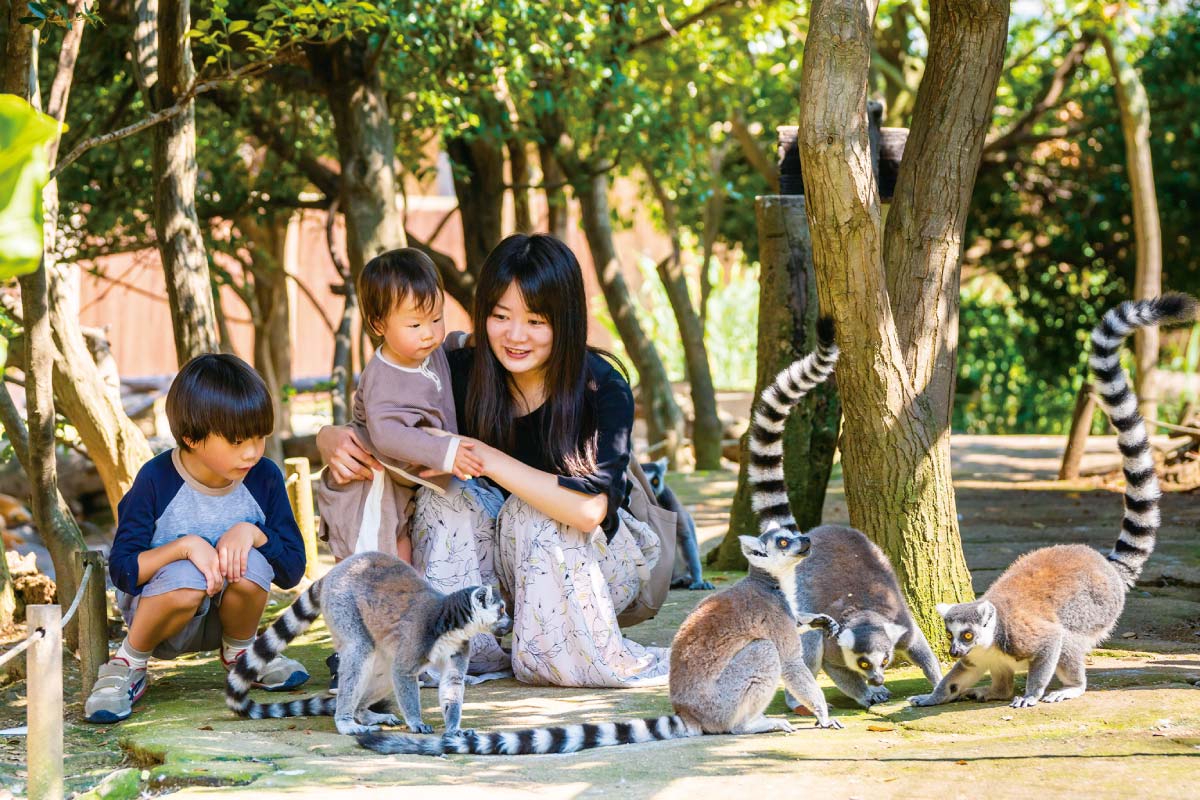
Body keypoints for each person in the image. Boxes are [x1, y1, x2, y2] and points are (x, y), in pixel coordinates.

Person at [318, 233, 668, 687]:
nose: (515, 335)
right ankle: (456, 650)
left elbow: (589, 511)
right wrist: (330, 437)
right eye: (500, 316)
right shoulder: (462, 370)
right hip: (492, 572)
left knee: (531, 512)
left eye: (536, 321)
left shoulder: (601, 387)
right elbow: (388, 410)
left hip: (590, 566)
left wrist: (483, 458)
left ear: (565, 320)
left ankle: (553, 653)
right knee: (446, 498)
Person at [85, 354, 308, 723]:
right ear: (191, 437)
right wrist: (184, 547)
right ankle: (127, 663)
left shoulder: (263, 477)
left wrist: (254, 533)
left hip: (228, 616)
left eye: (259, 436)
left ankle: (242, 654)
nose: (252, 451)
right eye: (238, 441)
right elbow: (122, 571)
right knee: (188, 576)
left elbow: (292, 570)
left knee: (253, 561)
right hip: (162, 618)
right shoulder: (156, 481)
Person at [314, 247, 482, 564]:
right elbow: (388, 435)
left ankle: (402, 609)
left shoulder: (425, 350)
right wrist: (447, 452)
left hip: (398, 481)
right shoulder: (383, 377)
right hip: (370, 480)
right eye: (415, 325)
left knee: (402, 554)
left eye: (436, 318)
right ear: (379, 325)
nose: (429, 334)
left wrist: (465, 341)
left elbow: (444, 345)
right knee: (375, 562)